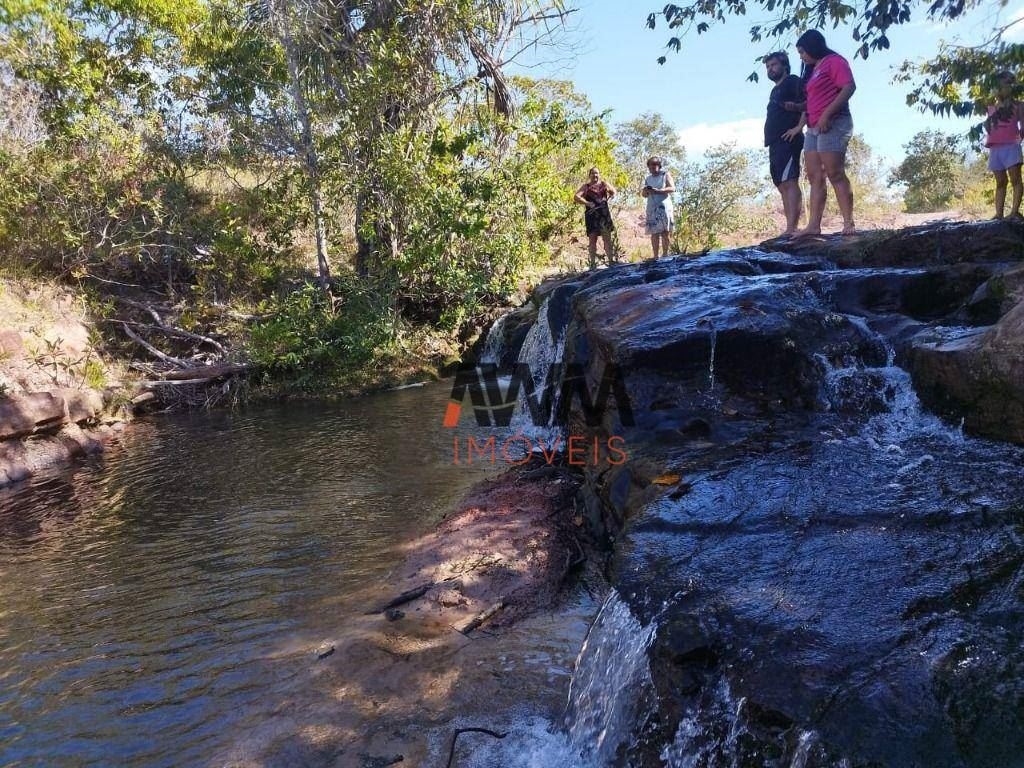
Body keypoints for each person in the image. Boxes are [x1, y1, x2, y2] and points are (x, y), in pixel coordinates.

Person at [789, 29, 857, 237]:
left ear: (813, 46)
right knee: (814, 175)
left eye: (802, 51)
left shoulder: (834, 61)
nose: (801, 56)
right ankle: (813, 226)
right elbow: (812, 102)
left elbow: (849, 87)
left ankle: (848, 224)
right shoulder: (812, 70)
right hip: (813, 127)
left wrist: (827, 115)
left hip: (835, 123)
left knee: (834, 172)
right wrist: (797, 109)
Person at [764, 51, 805, 236]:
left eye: (773, 65)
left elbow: (807, 103)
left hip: (789, 139)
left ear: (784, 65)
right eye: (767, 67)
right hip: (774, 142)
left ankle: (792, 228)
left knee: (790, 182)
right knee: (781, 185)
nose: (770, 69)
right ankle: (789, 228)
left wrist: (799, 128)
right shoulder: (775, 90)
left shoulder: (792, 81)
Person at [985, 70, 1024, 220]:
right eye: (999, 86)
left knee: (1015, 180)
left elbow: (1023, 126)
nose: (1001, 89)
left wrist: (1018, 138)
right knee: (1000, 182)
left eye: (1006, 85)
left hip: (1011, 146)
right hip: (995, 148)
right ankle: (998, 214)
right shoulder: (991, 107)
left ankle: (1014, 212)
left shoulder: (1019, 105)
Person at [574, 167, 617, 269]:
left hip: (604, 214)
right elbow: (576, 197)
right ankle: (593, 264)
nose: (595, 175)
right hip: (591, 215)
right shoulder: (586, 186)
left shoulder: (604, 184)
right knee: (592, 239)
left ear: (599, 174)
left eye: (597, 173)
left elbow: (614, 191)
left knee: (607, 239)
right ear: (589, 175)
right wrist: (587, 203)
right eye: (593, 173)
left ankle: (611, 261)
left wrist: (610, 194)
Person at [642, 156, 675, 258]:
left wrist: (658, 191)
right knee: (654, 232)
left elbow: (672, 188)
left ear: (659, 165)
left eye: (655, 164)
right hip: (652, 207)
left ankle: (665, 254)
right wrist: (646, 191)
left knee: (665, 231)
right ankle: (655, 256)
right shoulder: (648, 179)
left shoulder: (665, 175)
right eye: (650, 165)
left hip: (664, 207)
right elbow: (644, 195)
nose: (653, 167)